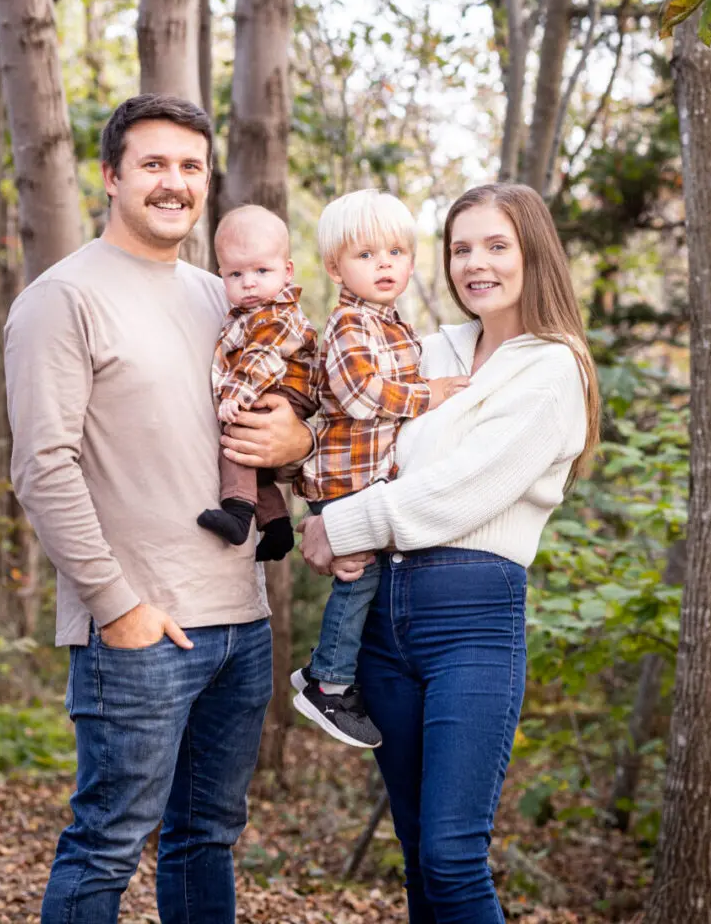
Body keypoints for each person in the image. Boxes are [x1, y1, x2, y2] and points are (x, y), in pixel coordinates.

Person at [4, 94, 312, 924]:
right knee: (107, 843)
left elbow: (290, 418)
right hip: (139, 632)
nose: (174, 183)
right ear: (110, 177)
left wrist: (298, 443)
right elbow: (42, 466)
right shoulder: (61, 299)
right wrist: (117, 605)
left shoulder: (228, 298)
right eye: (153, 164)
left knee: (205, 839)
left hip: (240, 627)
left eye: (190, 166)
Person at [300, 183, 602, 923]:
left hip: (470, 620)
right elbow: (351, 424)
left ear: (534, 253)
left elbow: (460, 492)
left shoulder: (553, 368)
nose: (476, 264)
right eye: (461, 248)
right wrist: (290, 450)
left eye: (497, 246)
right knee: (415, 852)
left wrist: (338, 527)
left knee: (452, 855)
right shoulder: (428, 349)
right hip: (382, 618)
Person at [289, 189, 469, 750]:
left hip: (370, 480)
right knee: (359, 576)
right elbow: (363, 395)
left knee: (367, 578)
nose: (384, 264)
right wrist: (429, 394)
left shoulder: (393, 326)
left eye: (395, 251)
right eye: (365, 255)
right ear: (334, 266)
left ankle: (326, 665)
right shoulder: (349, 324)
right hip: (345, 480)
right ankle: (330, 684)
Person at [197, 205, 319, 562]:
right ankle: (277, 524)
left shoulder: (277, 312)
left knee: (237, 433)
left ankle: (238, 514)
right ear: (221, 274)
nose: (249, 282)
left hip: (283, 388)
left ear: (287, 271)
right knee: (256, 458)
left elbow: (262, 357)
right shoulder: (245, 312)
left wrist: (233, 397)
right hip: (268, 385)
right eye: (236, 274)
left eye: (262, 270)